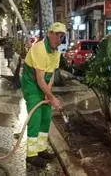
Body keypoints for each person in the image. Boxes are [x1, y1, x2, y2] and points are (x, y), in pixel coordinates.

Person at [21, 22, 66, 168]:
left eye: (62, 36)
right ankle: (31, 155)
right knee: (36, 117)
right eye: (58, 35)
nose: (59, 39)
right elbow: (40, 80)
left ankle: (41, 149)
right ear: (50, 34)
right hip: (32, 85)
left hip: (43, 85)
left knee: (46, 116)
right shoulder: (40, 49)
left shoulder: (56, 52)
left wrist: (49, 94)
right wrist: (52, 98)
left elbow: (51, 74)